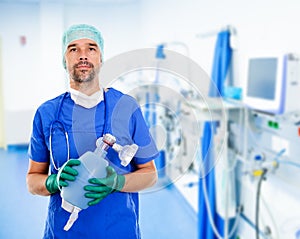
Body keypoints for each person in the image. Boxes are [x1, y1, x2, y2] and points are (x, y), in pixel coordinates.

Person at [26, 24, 159, 239]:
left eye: (91, 48)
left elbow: (150, 174)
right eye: (73, 49)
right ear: (64, 60)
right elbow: (33, 180)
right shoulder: (47, 113)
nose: (83, 55)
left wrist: (118, 182)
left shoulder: (126, 107)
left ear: (100, 58)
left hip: (118, 230)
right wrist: (52, 181)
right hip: (64, 232)